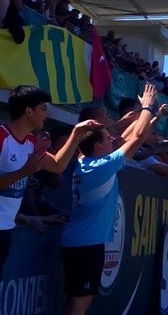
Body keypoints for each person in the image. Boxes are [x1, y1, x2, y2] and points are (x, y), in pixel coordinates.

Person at [60, 83, 165, 315]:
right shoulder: (100, 167)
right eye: (107, 139)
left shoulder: (85, 161)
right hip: (85, 244)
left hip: (81, 242)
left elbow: (124, 138)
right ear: (97, 145)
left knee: (79, 299)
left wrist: (146, 116)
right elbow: (136, 138)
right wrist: (147, 107)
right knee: (79, 303)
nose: (113, 141)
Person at [1, 86, 100, 277]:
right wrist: (24, 172)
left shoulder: (30, 143)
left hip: (5, 230)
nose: (47, 114)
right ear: (29, 111)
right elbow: (26, 172)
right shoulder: (2, 136)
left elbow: (56, 166)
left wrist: (76, 133)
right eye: (43, 108)